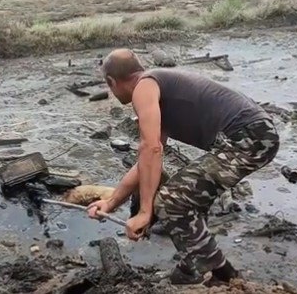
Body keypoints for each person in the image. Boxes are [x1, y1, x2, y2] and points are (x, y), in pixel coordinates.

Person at [87, 49, 280, 284]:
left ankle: (221, 275)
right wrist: (110, 202)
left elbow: (150, 148)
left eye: (109, 86)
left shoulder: (145, 86)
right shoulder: (160, 89)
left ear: (111, 81)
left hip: (250, 136)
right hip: (253, 135)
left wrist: (145, 212)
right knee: (185, 195)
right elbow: (146, 162)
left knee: (172, 200)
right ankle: (194, 267)